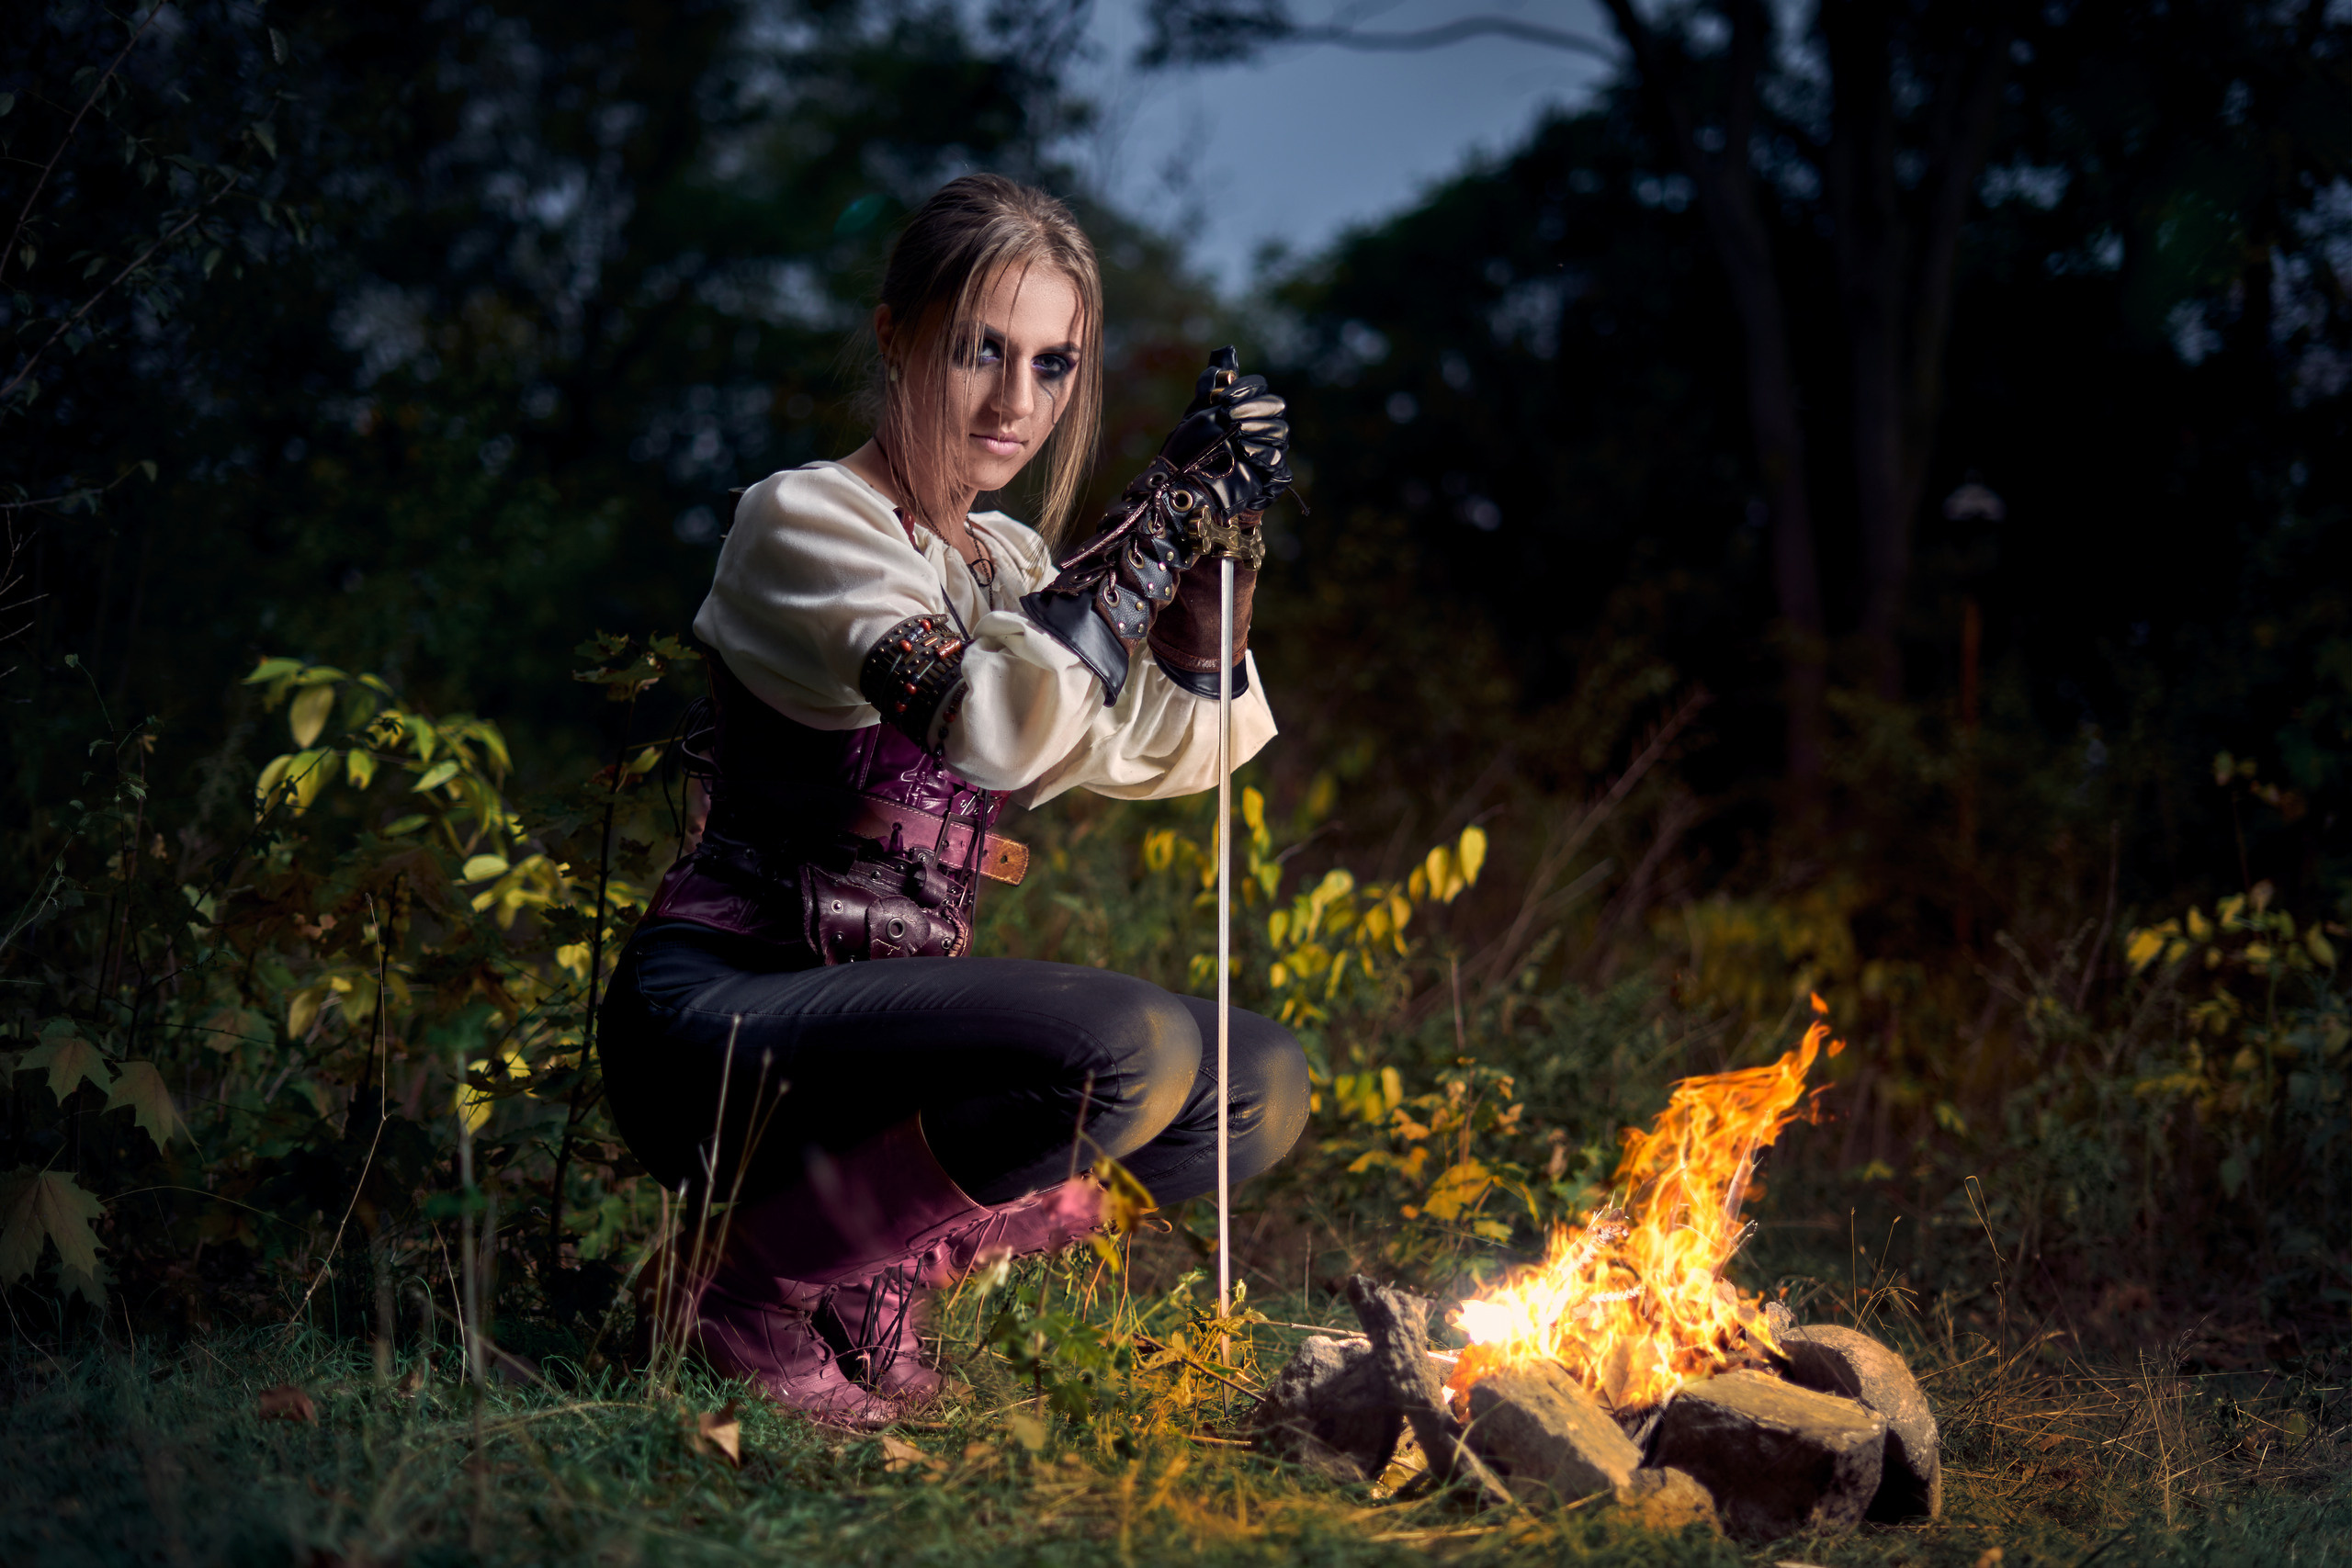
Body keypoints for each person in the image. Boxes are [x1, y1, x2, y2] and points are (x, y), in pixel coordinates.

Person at [598, 174, 1311, 1427]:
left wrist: (1212, 567)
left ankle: (880, 1273)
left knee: (1253, 1080)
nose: (1014, 401)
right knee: (1129, 1051)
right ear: (896, 337)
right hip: (725, 1018)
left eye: (1051, 364)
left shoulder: (1011, 563)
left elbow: (1161, 752)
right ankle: (741, 1292)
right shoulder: (807, 519)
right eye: (981, 350)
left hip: (881, 1036)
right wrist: (1149, 522)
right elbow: (992, 725)